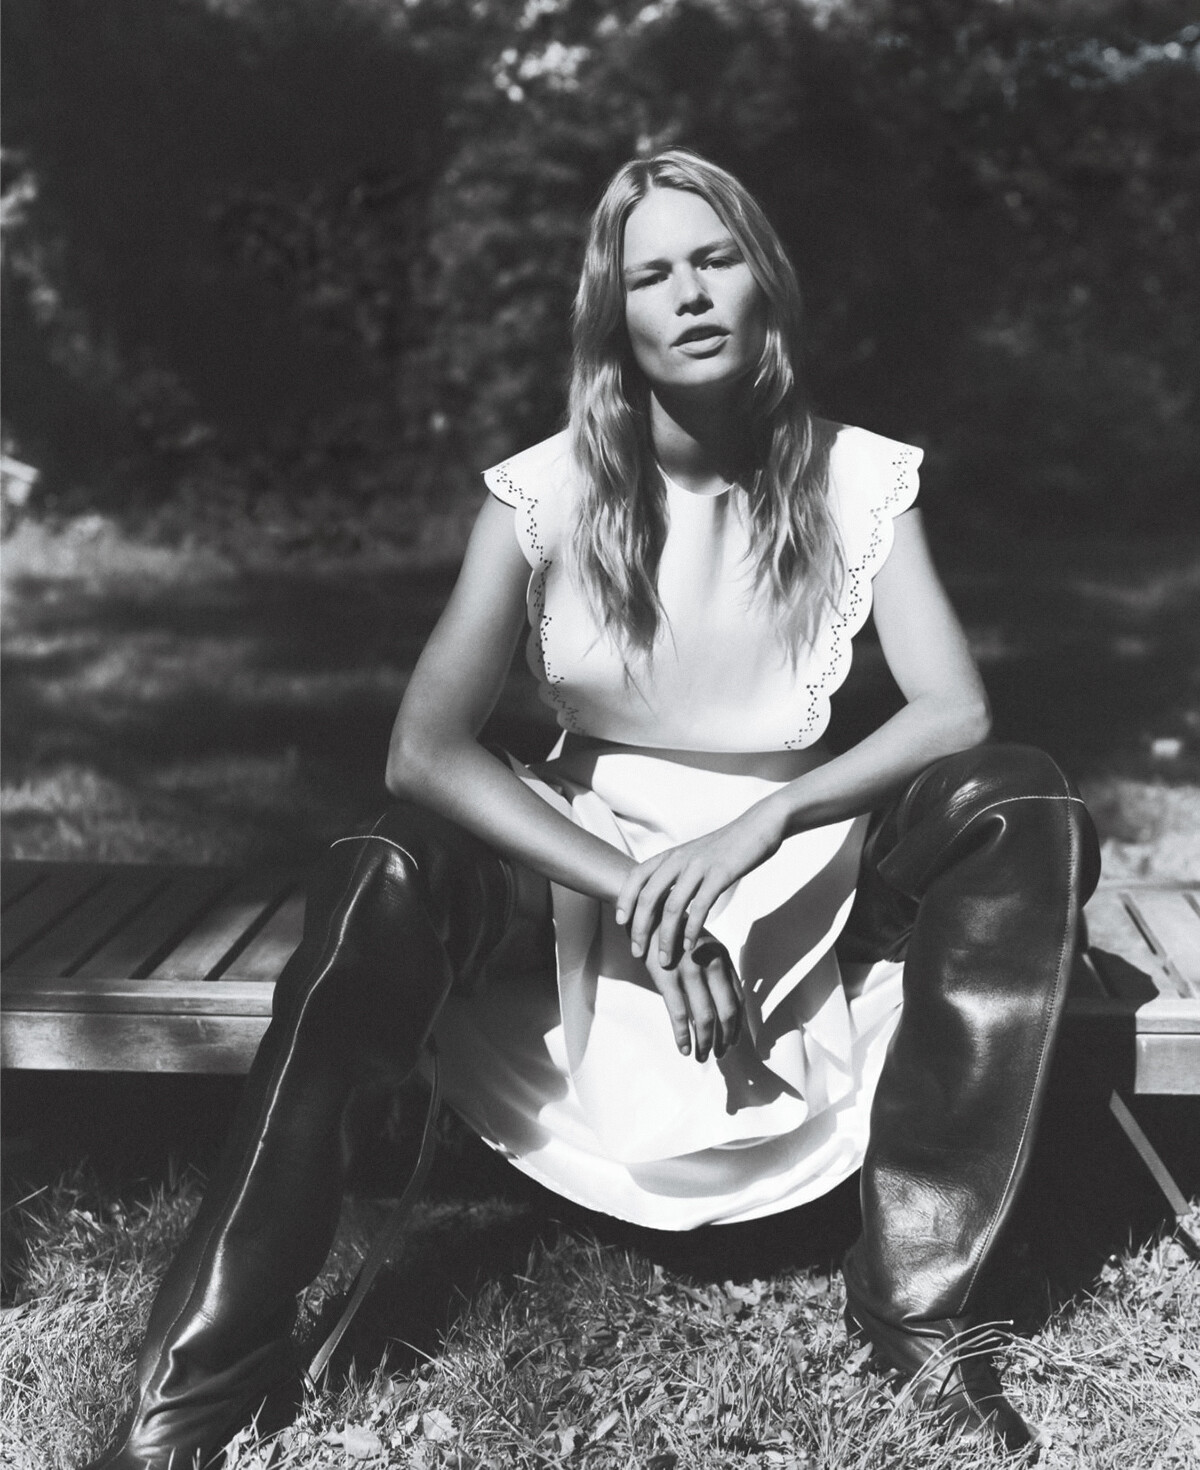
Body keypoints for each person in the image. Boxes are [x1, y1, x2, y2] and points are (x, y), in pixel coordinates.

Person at [85, 149, 1099, 1469]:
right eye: (653, 274)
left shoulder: (859, 478)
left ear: (766, 281)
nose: (691, 295)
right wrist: (638, 893)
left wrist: (764, 823)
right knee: (385, 866)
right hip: (587, 850)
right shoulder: (542, 492)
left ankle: (917, 1309)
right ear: (614, 314)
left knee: (1023, 797)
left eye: (716, 260)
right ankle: (198, 1373)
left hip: (801, 853)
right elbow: (422, 751)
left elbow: (954, 713)